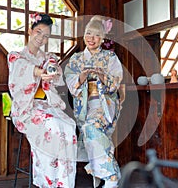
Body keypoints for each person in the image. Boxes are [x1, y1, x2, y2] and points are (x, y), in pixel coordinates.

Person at [7, 13, 77, 188]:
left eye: (46, 36)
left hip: (46, 106)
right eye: (38, 32)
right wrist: (38, 72)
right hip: (26, 108)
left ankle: (64, 182)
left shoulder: (47, 57)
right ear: (30, 31)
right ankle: (47, 182)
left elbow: (56, 75)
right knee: (52, 127)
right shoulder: (15, 56)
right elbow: (21, 69)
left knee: (68, 126)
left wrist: (52, 66)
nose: (41, 38)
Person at [64, 15, 123, 188]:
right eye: (89, 33)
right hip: (84, 105)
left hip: (105, 104)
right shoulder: (75, 59)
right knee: (91, 130)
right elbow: (70, 80)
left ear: (103, 38)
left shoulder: (110, 58)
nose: (91, 38)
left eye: (96, 35)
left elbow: (115, 82)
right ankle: (110, 174)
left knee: (92, 127)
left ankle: (111, 177)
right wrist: (81, 77)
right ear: (83, 35)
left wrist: (102, 75)